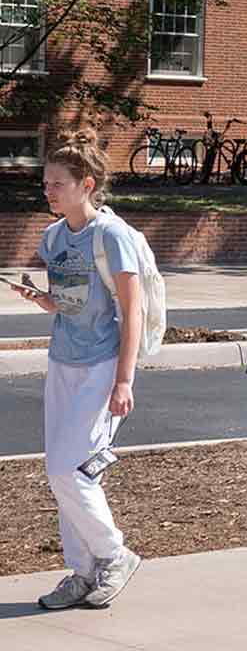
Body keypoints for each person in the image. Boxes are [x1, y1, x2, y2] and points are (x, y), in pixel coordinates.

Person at [13, 131, 145, 611]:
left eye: (57, 184)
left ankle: (114, 555)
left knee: (66, 469)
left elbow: (132, 311)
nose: (47, 191)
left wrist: (124, 379)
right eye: (45, 183)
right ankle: (84, 570)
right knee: (66, 474)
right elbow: (70, 305)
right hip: (62, 361)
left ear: (86, 184)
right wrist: (42, 299)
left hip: (102, 365)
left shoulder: (111, 236)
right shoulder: (52, 238)